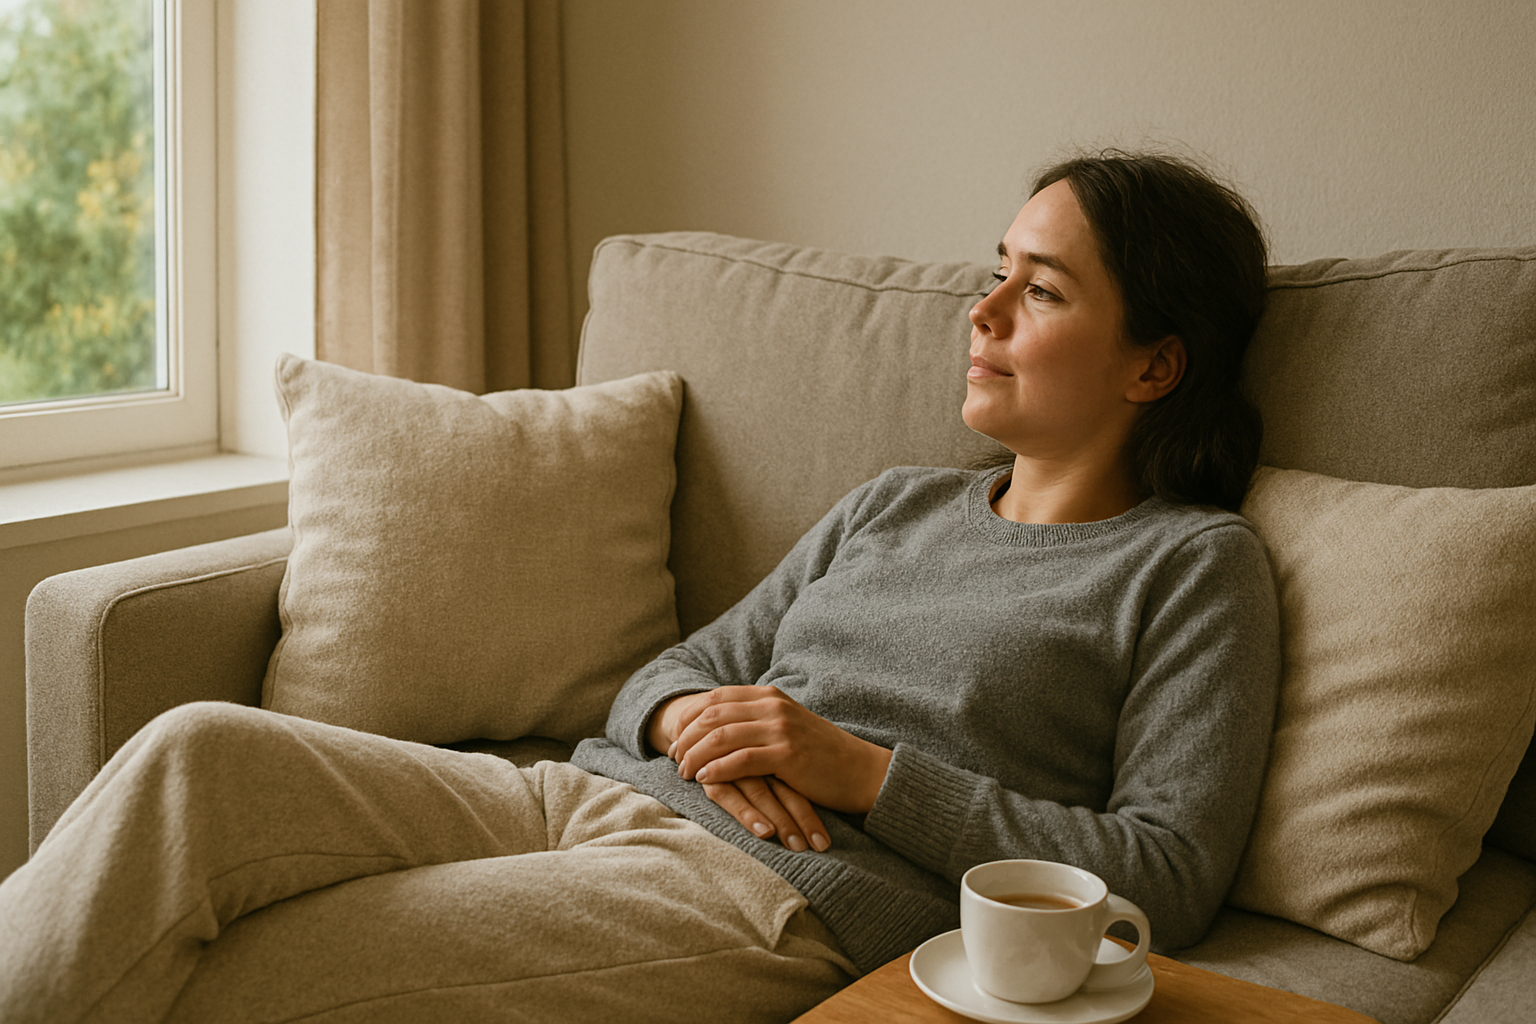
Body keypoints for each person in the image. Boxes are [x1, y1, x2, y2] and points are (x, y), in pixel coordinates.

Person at [0, 150, 1281, 1024]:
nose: (984, 307)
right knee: (195, 757)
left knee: (242, 967)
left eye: (1041, 289)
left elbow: (1162, 875)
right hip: (576, 792)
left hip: (773, 900)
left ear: (1153, 366)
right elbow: (663, 678)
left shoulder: (1189, 565)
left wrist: (859, 770)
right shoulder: (899, 501)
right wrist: (687, 724)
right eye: (994, 265)